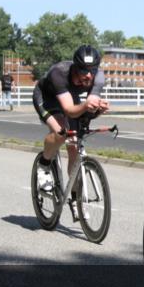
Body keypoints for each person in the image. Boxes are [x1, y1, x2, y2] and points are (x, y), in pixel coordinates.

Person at [32, 45, 110, 194]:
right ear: (75, 67)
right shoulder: (59, 73)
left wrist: (98, 108)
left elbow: (89, 108)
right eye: (83, 70)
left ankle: (75, 197)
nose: (88, 75)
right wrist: (86, 106)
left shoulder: (98, 78)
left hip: (68, 97)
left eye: (92, 70)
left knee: (74, 145)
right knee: (62, 133)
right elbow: (69, 110)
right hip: (47, 98)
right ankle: (44, 164)